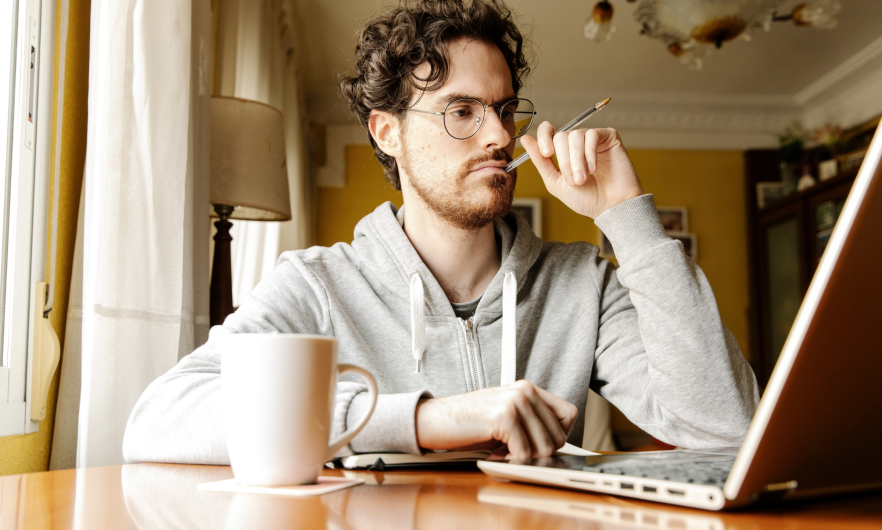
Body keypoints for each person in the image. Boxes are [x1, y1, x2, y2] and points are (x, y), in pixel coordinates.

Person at [123, 0, 759, 464]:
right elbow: (159, 419)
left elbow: (726, 427)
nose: (500, 136)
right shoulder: (317, 285)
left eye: (505, 110)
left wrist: (628, 216)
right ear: (388, 133)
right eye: (463, 111)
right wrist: (425, 419)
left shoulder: (581, 283)